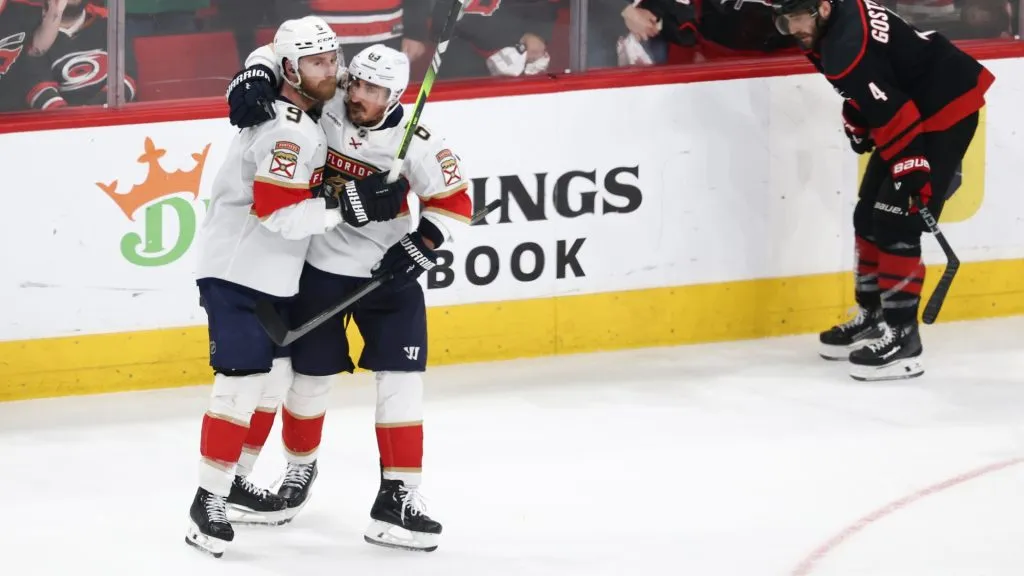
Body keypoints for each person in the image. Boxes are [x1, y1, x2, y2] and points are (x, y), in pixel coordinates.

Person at [225, 41, 473, 552]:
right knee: (308, 382)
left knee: (402, 385)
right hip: (322, 269)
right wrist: (255, 72)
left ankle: (397, 498)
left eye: (372, 90)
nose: (357, 94)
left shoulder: (420, 141)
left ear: (395, 94)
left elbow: (457, 203)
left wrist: (422, 244)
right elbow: (286, 53)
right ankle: (297, 474)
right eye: (355, 81)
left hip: (388, 279)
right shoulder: (330, 98)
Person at [185, 15, 395, 558]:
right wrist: (347, 206)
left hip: (273, 277)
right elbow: (278, 213)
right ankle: (206, 503)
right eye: (318, 62)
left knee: (271, 384)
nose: (333, 70)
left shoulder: (313, 99)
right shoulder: (288, 130)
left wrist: (254, 66)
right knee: (240, 384)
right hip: (237, 274)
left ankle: (230, 482)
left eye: (332, 58)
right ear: (291, 71)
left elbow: (280, 55)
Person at [772, 0, 994, 381]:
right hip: (914, 102)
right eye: (785, 20)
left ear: (823, 8)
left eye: (798, 19)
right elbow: (883, 75)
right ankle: (873, 317)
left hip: (942, 110)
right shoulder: (835, 23)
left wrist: (912, 169)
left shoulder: (844, 45)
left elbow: (895, 111)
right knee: (868, 215)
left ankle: (904, 341)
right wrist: (859, 117)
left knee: (897, 221)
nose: (793, 28)